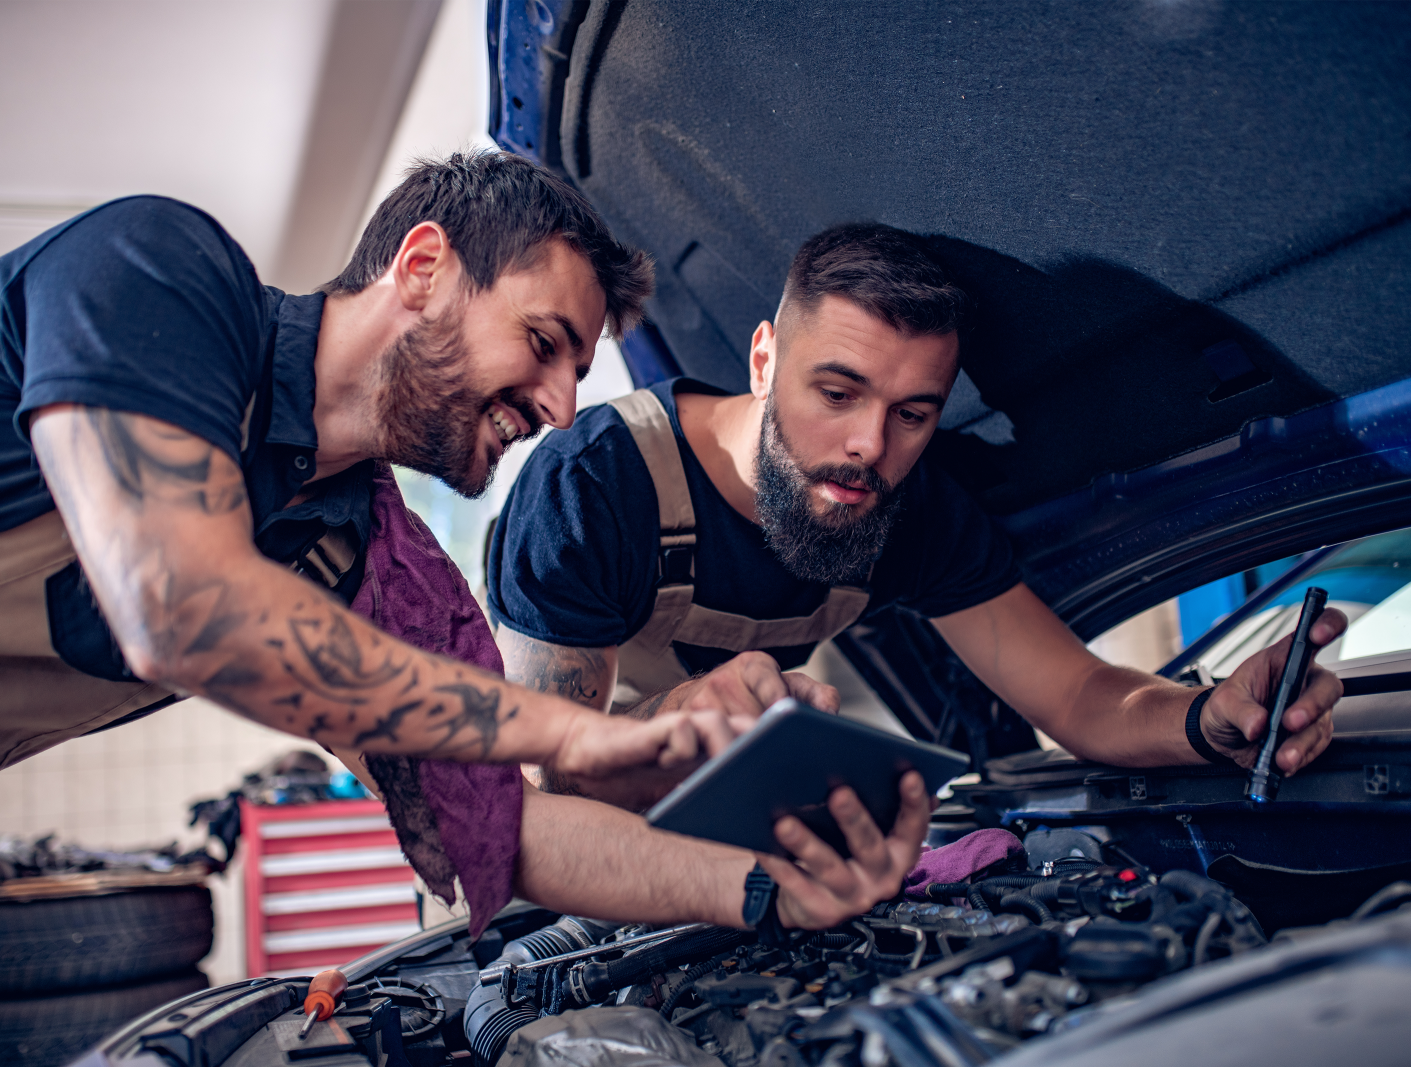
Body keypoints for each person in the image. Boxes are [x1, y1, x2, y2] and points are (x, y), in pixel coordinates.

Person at [0, 154, 926, 1067]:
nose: (562, 405)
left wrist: (762, 884)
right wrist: (575, 727)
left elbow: (498, 832)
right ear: (422, 268)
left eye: (582, 369)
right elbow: (177, 599)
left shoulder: (376, 562)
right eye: (546, 340)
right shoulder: (156, 272)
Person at [488, 222, 1348, 802]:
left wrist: (1209, 718)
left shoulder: (915, 511)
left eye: (914, 413)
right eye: (837, 390)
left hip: (729, 850)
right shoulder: (595, 486)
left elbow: (1080, 694)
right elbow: (539, 777)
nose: (870, 444)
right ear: (763, 359)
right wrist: (679, 721)